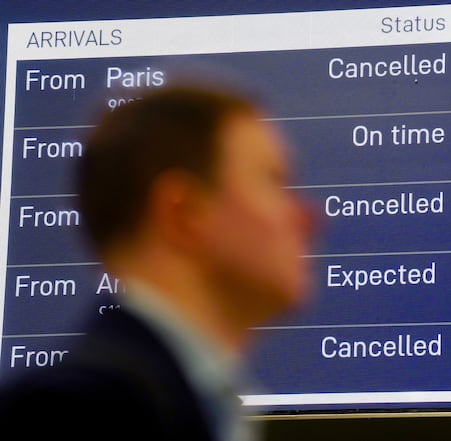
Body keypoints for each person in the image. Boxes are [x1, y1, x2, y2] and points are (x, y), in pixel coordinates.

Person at [0, 84, 316, 439]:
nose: (308, 217)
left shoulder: (182, 403)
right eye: (273, 180)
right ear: (183, 213)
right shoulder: (79, 411)